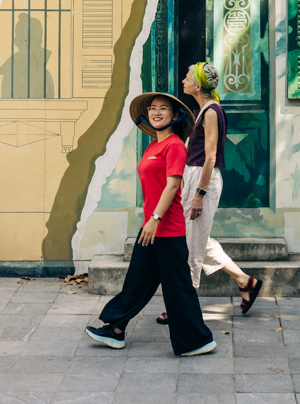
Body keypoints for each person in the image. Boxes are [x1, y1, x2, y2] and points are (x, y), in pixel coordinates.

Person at [84, 92, 217, 356]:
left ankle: (197, 341)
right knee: (138, 280)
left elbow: (173, 186)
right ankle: (116, 329)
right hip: (151, 227)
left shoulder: (174, 145)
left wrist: (155, 219)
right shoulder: (152, 146)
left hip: (167, 229)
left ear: (175, 115)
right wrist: (150, 221)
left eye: (163, 108)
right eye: (153, 108)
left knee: (178, 288)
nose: (156, 112)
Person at [157, 62, 263, 325]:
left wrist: (199, 194)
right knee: (196, 238)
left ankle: (183, 308)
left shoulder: (212, 111)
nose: (183, 80)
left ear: (198, 85)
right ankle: (245, 281)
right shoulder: (202, 110)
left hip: (202, 180)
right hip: (193, 177)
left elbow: (211, 157)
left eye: (187, 77)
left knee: (191, 245)